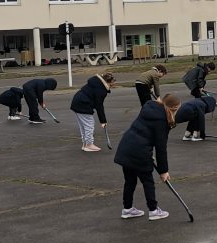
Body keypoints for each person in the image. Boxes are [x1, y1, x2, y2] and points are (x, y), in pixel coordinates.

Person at [114, 92, 178, 220]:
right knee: (148, 181)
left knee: (130, 180)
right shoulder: (163, 121)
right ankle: (153, 210)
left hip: (127, 146)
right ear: (173, 109)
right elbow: (161, 149)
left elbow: (144, 133)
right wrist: (163, 171)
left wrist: (147, 153)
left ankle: (127, 209)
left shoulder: (148, 108)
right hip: (139, 151)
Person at [72, 72, 115, 151]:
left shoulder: (95, 83)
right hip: (83, 104)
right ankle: (89, 144)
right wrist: (103, 121)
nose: (111, 86)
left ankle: (85, 144)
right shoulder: (101, 90)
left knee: (83, 126)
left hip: (77, 102)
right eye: (111, 85)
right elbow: (99, 106)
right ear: (106, 82)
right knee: (89, 125)